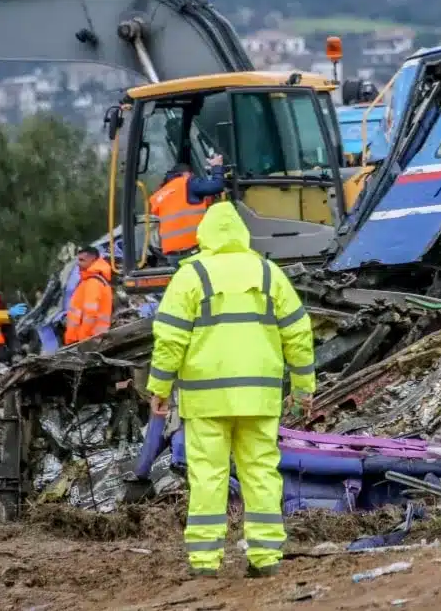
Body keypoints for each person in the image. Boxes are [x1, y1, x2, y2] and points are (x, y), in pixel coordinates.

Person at [146, 201, 316, 579]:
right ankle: (266, 557)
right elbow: (299, 334)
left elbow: (169, 338)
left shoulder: (191, 276)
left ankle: (205, 562)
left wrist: (159, 387)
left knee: (208, 475)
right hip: (259, 397)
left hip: (207, 399)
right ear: (242, 232)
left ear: (204, 235)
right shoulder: (270, 274)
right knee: (261, 473)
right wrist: (303, 387)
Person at [148, 156, 226, 260]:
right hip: (193, 250)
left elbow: (183, 207)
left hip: (171, 254)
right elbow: (217, 185)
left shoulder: (158, 195)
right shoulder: (187, 182)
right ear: (186, 174)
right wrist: (217, 166)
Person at [64, 246, 114, 344]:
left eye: (82, 260)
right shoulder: (90, 281)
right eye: (78, 260)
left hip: (88, 339)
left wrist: (83, 339)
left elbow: (90, 314)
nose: (78, 263)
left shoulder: (93, 282)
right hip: (90, 338)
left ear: (93, 260)